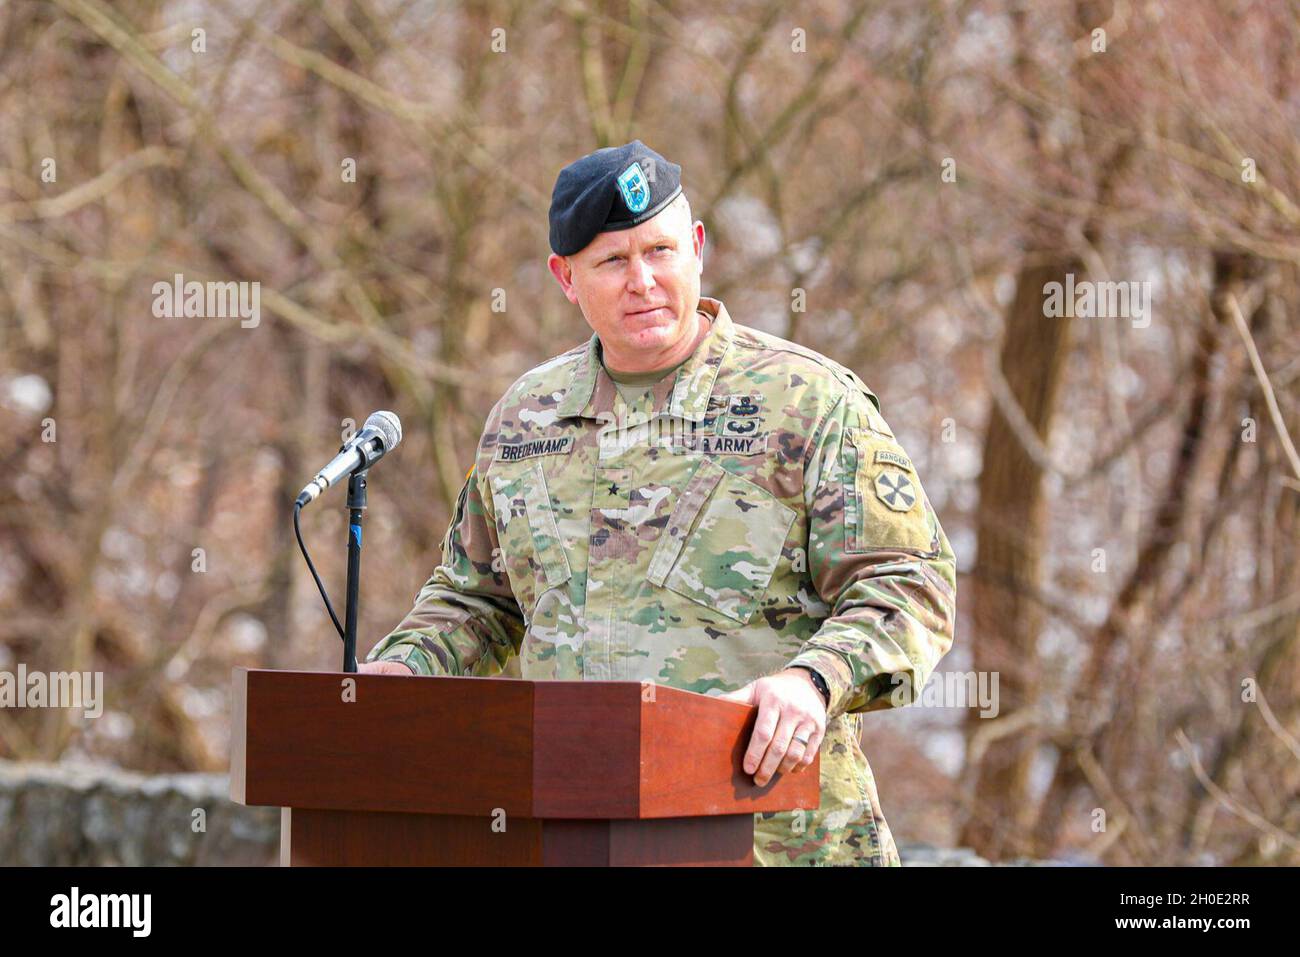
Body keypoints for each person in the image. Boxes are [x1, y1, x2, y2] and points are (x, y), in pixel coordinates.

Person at [361, 140, 957, 866]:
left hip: (772, 843)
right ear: (566, 279)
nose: (642, 280)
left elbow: (909, 584)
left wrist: (812, 680)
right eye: (612, 261)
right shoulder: (525, 419)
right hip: (573, 836)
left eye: (660, 251)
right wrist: (401, 673)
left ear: (698, 249)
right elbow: (478, 600)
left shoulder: (807, 402)